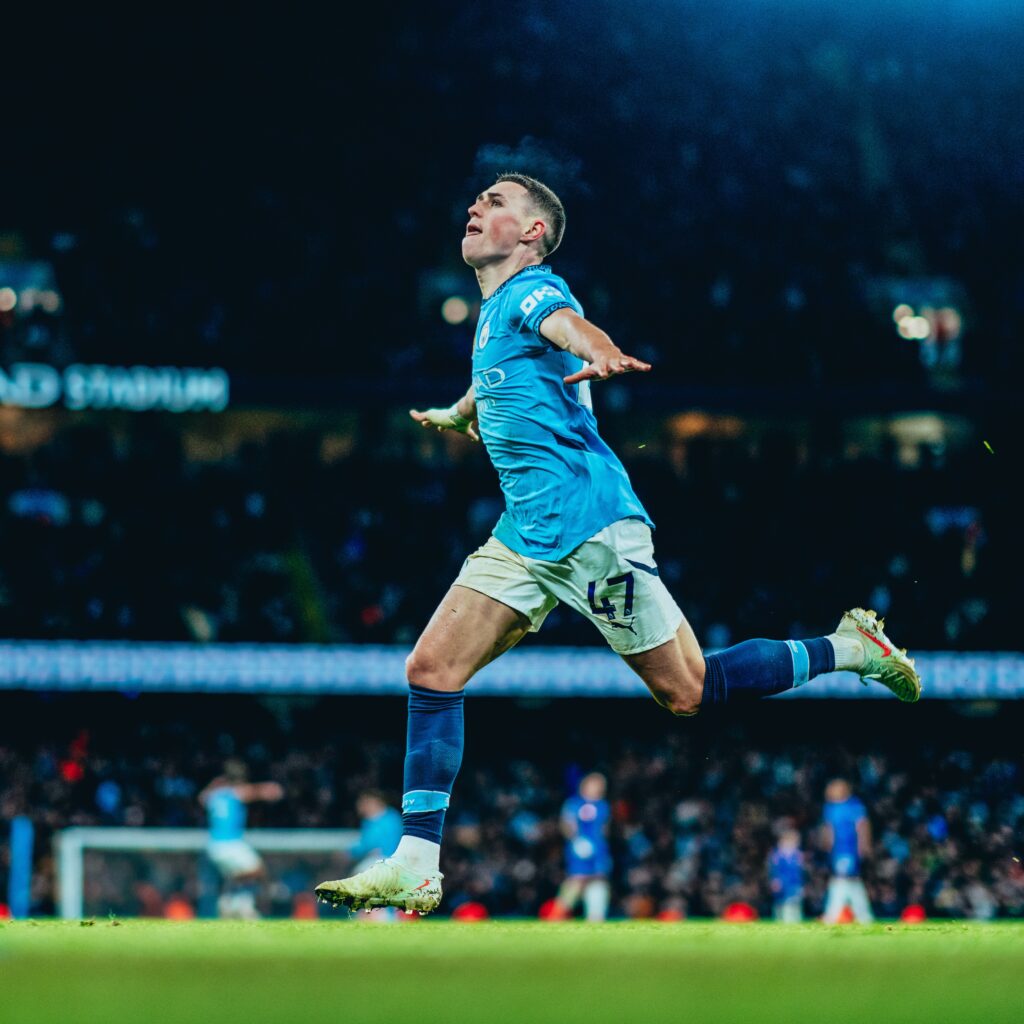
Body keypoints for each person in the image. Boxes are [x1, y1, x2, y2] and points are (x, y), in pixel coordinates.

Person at [315, 173, 922, 915]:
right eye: (476, 199)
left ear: (533, 233)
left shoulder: (535, 292)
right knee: (432, 668)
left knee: (688, 691)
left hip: (587, 528)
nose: (475, 206)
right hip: (528, 534)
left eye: (496, 202)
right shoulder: (494, 313)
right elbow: (508, 375)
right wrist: (460, 411)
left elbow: (570, 327)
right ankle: (415, 861)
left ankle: (852, 647)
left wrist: (600, 349)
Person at [199, 759, 283, 919]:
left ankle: (236, 903)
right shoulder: (235, 792)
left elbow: (202, 798)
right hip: (231, 844)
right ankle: (229, 897)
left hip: (214, 846)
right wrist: (270, 789)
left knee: (241, 874)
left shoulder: (214, 795)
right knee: (258, 870)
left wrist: (215, 783)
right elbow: (254, 791)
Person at [556, 772, 613, 921]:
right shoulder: (574, 804)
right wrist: (576, 841)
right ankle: (558, 913)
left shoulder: (603, 805)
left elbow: (604, 829)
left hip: (598, 850)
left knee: (599, 879)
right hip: (579, 848)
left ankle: (596, 916)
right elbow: (567, 823)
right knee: (577, 880)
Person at [821, 778, 874, 923]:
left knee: (840, 879)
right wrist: (828, 845)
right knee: (852, 881)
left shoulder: (854, 805)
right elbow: (829, 829)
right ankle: (864, 915)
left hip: (848, 849)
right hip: (838, 851)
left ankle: (832, 914)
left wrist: (863, 845)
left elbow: (862, 825)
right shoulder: (830, 808)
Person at [768, 828, 805, 923]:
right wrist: (775, 880)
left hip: (794, 885)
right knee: (780, 904)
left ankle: (794, 921)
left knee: (794, 903)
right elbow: (774, 870)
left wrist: (801, 886)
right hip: (782, 884)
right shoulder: (777, 856)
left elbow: (799, 873)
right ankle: (780, 920)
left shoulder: (797, 857)